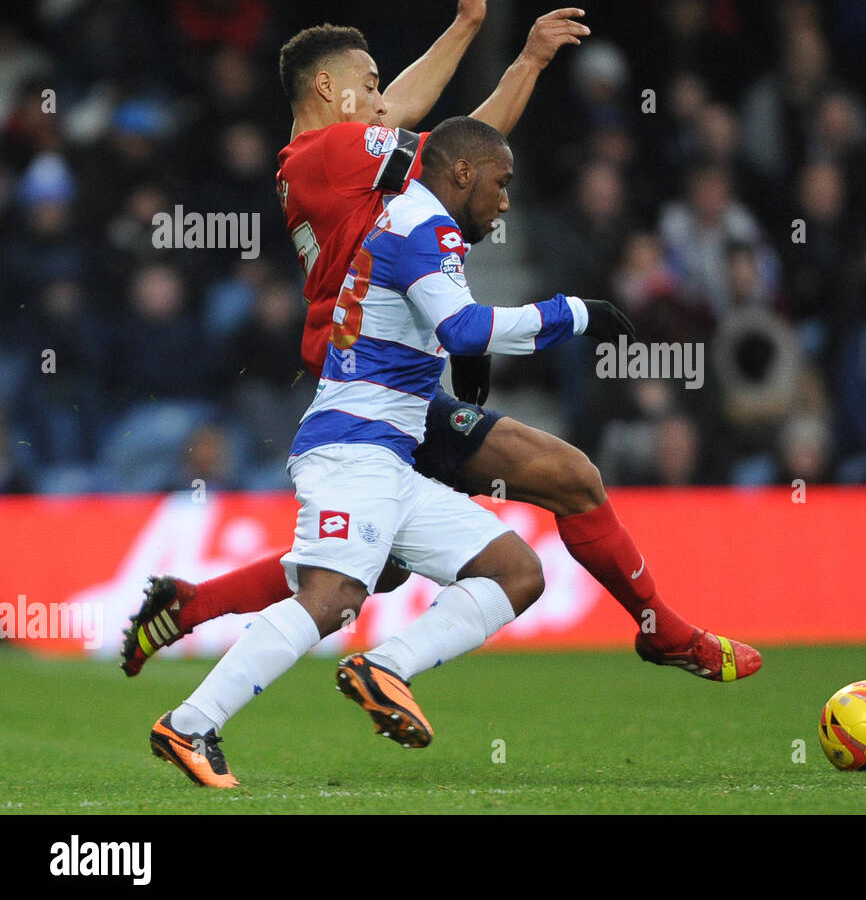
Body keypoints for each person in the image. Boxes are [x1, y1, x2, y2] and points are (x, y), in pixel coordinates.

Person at [124, 0, 761, 690]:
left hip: (382, 374)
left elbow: (464, 154)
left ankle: (193, 603)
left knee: (375, 566)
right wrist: (476, 35)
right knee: (567, 480)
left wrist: (520, 57)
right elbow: (455, 157)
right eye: (368, 84)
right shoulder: (330, 153)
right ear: (330, 91)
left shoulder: (339, 166)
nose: (379, 97)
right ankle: (659, 629)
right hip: (372, 388)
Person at [150, 119, 638, 786]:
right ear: (462, 173)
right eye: (501, 182)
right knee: (331, 596)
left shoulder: (409, 220)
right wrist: (574, 313)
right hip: (354, 450)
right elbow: (463, 325)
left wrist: (464, 358)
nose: (504, 201)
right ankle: (191, 722)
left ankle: (386, 666)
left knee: (515, 570)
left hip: (388, 458)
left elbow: (447, 330)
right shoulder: (425, 225)